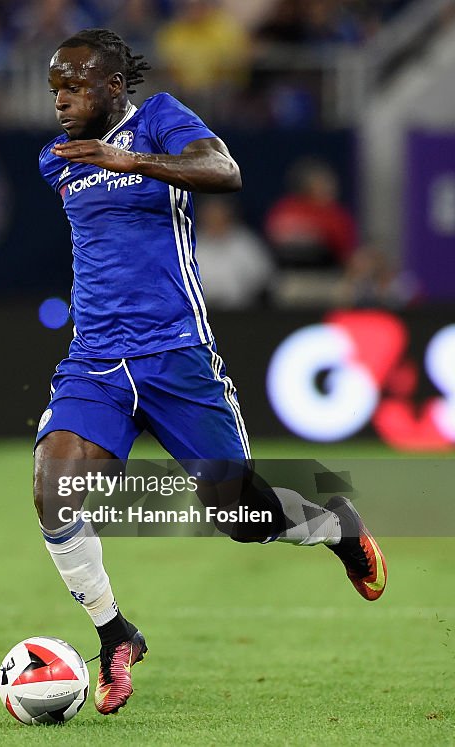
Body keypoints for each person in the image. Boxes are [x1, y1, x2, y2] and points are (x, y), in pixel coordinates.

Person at [36, 28, 386, 716]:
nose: (61, 102)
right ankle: (115, 634)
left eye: (74, 87)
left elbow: (224, 171)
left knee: (239, 513)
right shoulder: (56, 159)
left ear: (112, 87)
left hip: (177, 356)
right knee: (55, 487)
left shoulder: (160, 117)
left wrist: (127, 159)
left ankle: (334, 522)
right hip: (96, 360)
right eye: (54, 89)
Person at [194, 195, 274, 309]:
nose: (215, 218)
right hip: (198, 313)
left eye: (219, 213)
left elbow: (264, 279)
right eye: (210, 213)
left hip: (240, 312)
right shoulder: (190, 244)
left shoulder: (246, 242)